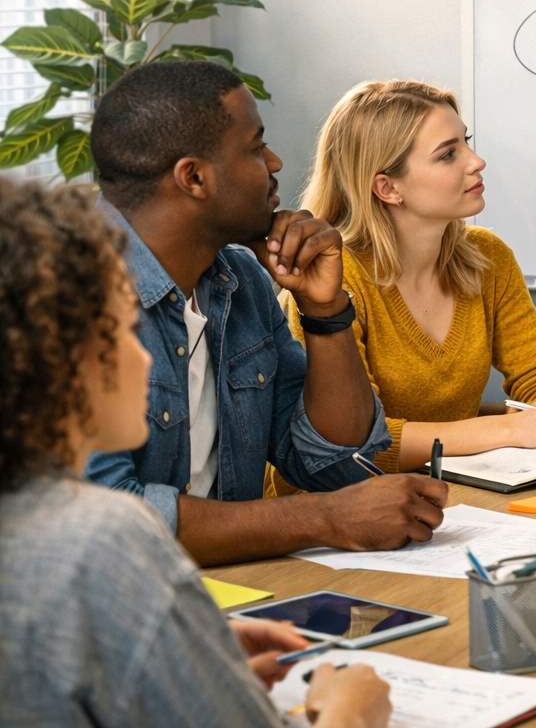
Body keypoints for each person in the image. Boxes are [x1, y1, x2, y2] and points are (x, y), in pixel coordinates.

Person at [0, 179, 392, 727]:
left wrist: (176, 650)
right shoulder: (104, 534)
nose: (146, 355)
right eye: (123, 326)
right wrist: (351, 711)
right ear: (53, 356)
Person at [83, 61, 449, 565]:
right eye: (256, 148)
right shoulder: (59, 300)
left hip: (233, 593)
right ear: (194, 177)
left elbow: (337, 465)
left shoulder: (241, 280)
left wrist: (325, 310)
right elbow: (103, 522)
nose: (275, 162)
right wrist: (326, 519)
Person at [265, 79, 536, 494]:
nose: (477, 161)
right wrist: (510, 428)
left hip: (444, 494)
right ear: (388, 188)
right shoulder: (331, 281)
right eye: (448, 154)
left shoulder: (488, 257)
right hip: (328, 511)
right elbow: (359, 446)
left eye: (465, 142)